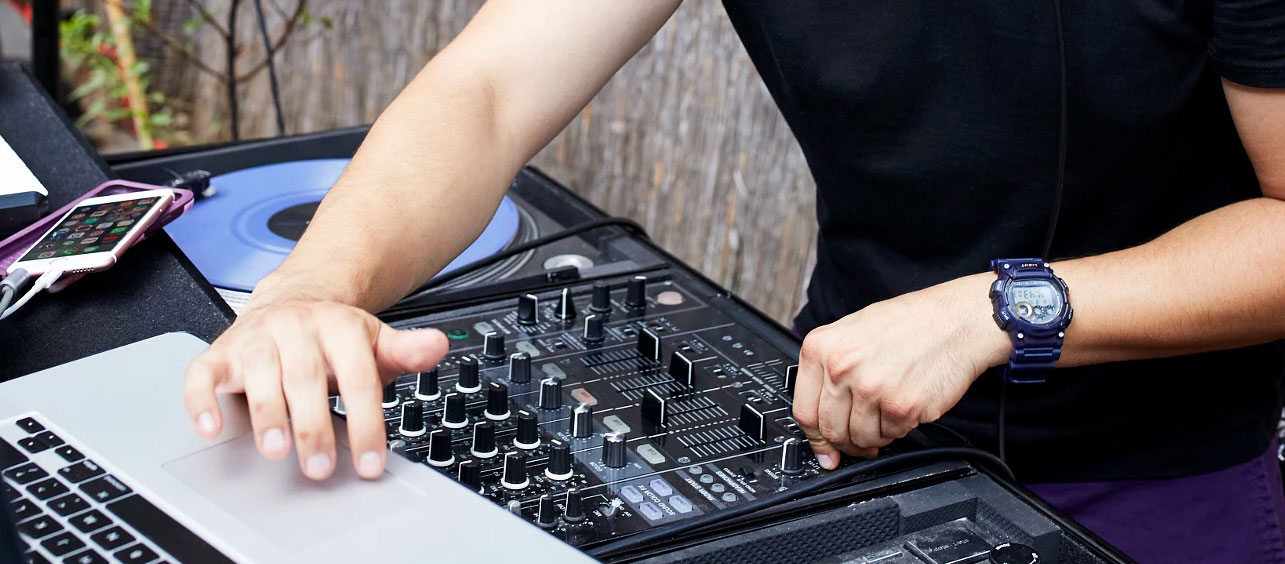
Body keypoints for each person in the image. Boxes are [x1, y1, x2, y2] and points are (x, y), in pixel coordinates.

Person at [180, 2, 1285, 562]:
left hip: (1154, 480)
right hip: (836, 422)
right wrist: (311, 288)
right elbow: (488, 89)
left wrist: (1000, 308)